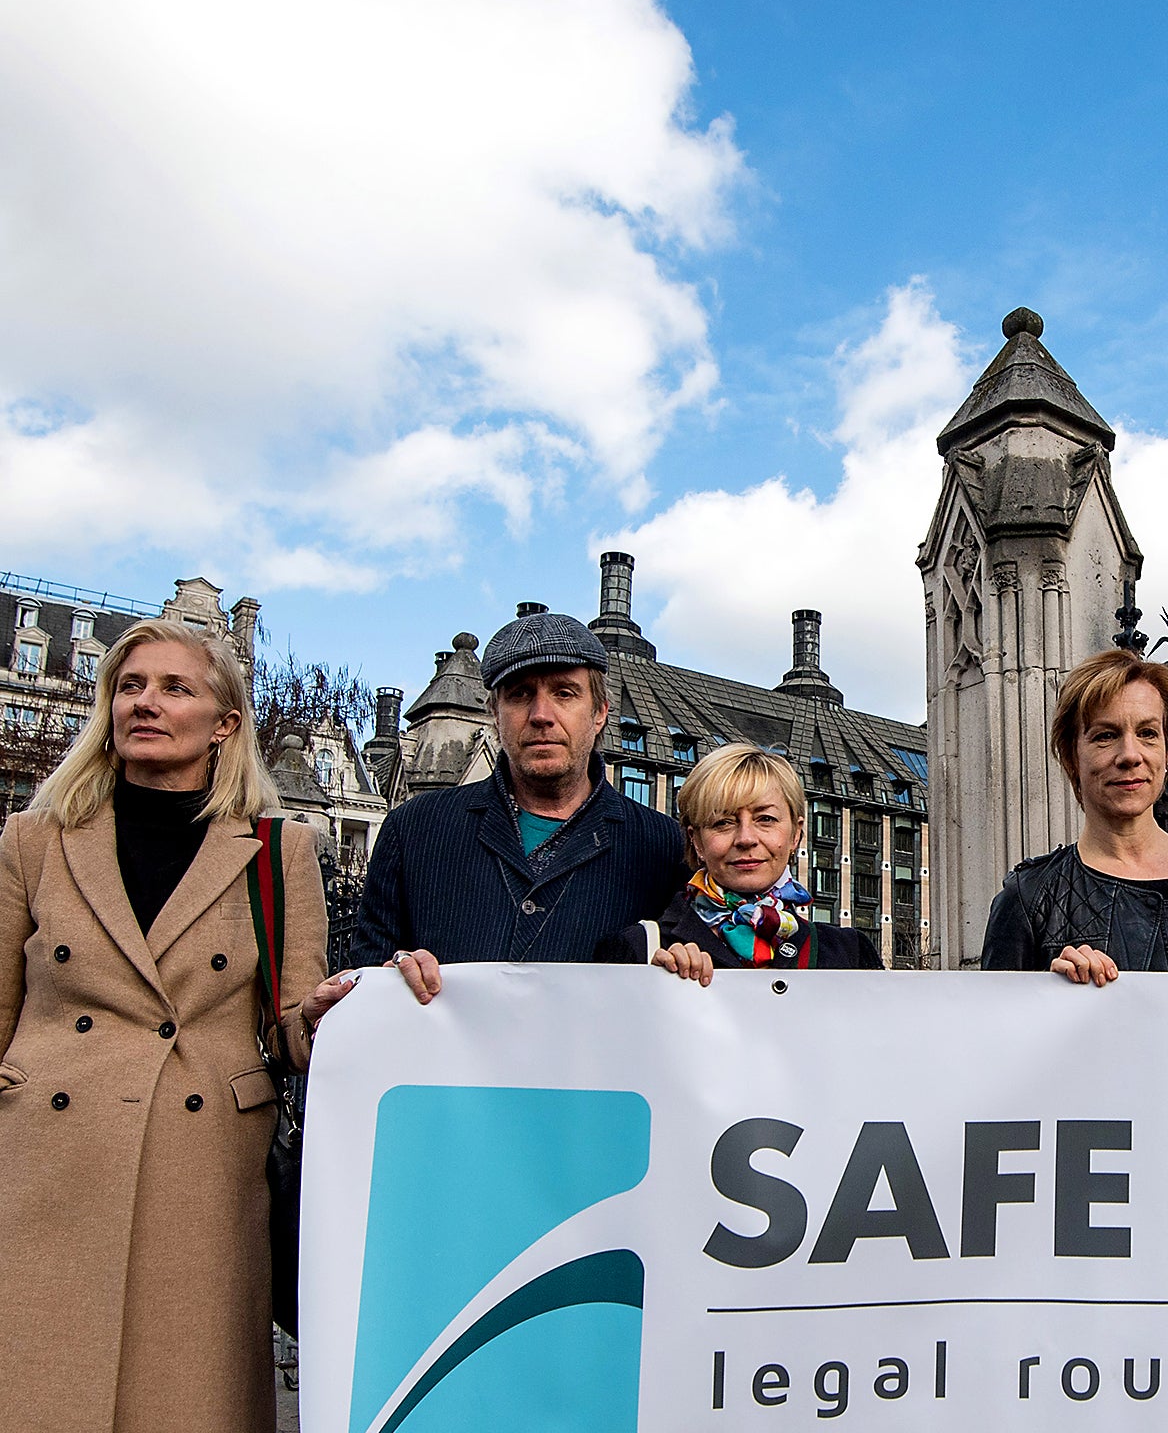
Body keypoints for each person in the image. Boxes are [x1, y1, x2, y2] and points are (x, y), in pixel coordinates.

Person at [0, 620, 355, 1433]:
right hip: (45, 1165)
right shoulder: (35, 839)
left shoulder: (279, 851)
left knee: (185, 1403)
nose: (145, 704)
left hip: (199, 1172)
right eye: (130, 687)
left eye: (173, 688)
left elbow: (293, 1031)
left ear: (225, 723)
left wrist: (333, 1012)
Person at [349, 609, 686, 998]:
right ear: (494, 713)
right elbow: (366, 980)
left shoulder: (661, 846)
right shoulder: (414, 830)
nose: (541, 715)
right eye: (519, 694)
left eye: (564, 693)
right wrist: (393, 974)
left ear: (599, 713)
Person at [981, 648, 1168, 984]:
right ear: (1071, 756)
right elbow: (993, 1031)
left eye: (1147, 734)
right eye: (1105, 736)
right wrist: (1049, 998)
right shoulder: (1030, 897)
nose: (1130, 755)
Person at [596, 741, 882, 975]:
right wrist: (652, 989)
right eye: (723, 823)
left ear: (796, 834)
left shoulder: (849, 953)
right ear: (696, 840)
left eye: (766, 819)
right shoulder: (639, 949)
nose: (746, 838)